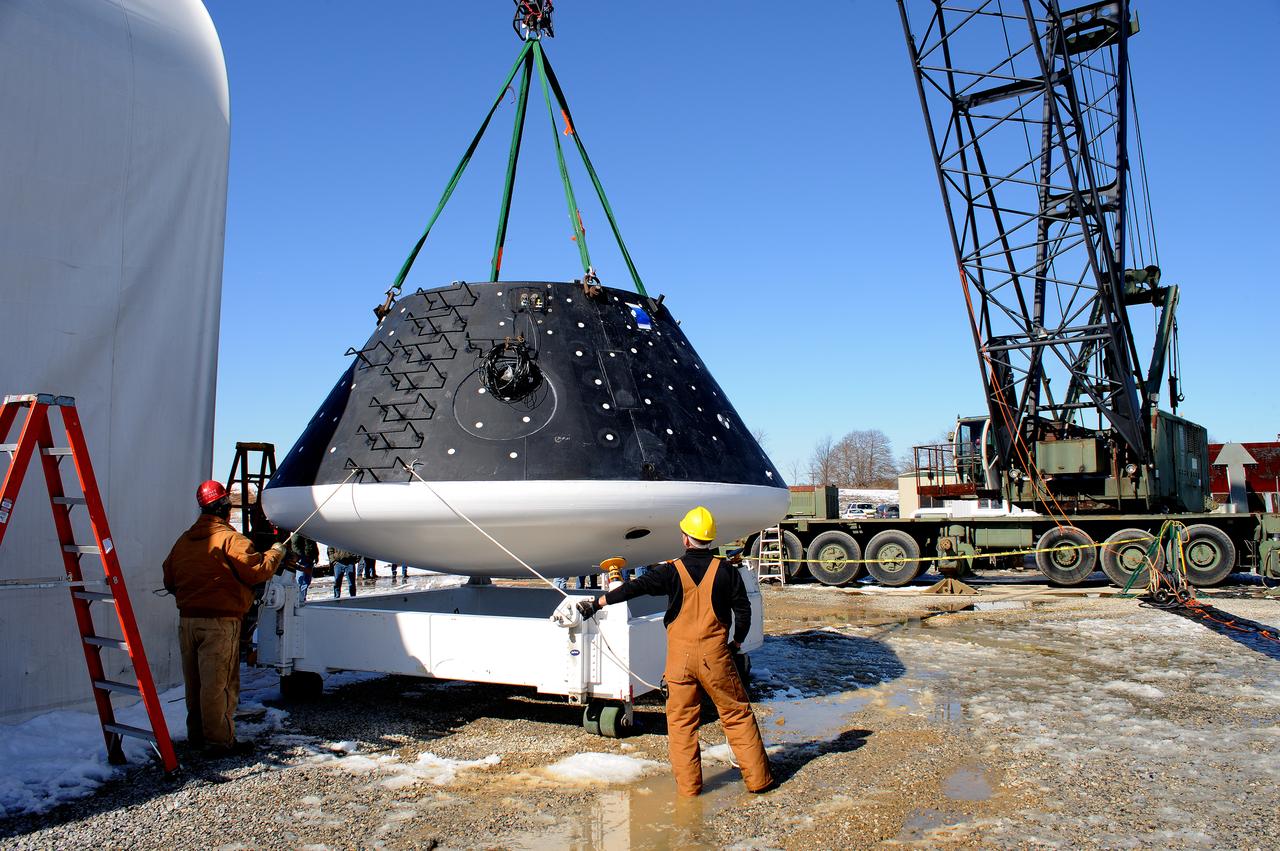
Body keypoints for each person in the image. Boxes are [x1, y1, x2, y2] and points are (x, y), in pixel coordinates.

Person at [576, 506, 775, 797]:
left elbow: (635, 588)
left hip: (680, 661)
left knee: (682, 723)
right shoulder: (726, 572)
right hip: (716, 657)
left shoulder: (671, 572)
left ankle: (689, 789)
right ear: (711, 538)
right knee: (736, 714)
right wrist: (737, 643)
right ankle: (759, 781)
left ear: (685, 538)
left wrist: (597, 603)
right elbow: (743, 612)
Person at [162, 480, 285, 755]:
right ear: (226, 508)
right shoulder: (230, 539)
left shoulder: (184, 541)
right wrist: (276, 553)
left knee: (195, 682)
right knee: (219, 684)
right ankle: (219, 741)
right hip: (220, 622)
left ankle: (197, 735)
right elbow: (257, 570)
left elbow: (169, 579)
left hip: (187, 622)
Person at [288, 535, 319, 602]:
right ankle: (297, 599)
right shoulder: (299, 533)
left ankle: (302, 598)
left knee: (306, 581)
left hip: (310, 559)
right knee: (300, 580)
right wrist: (301, 556)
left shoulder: (310, 533)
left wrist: (316, 556)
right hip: (303, 560)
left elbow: (314, 545)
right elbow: (294, 544)